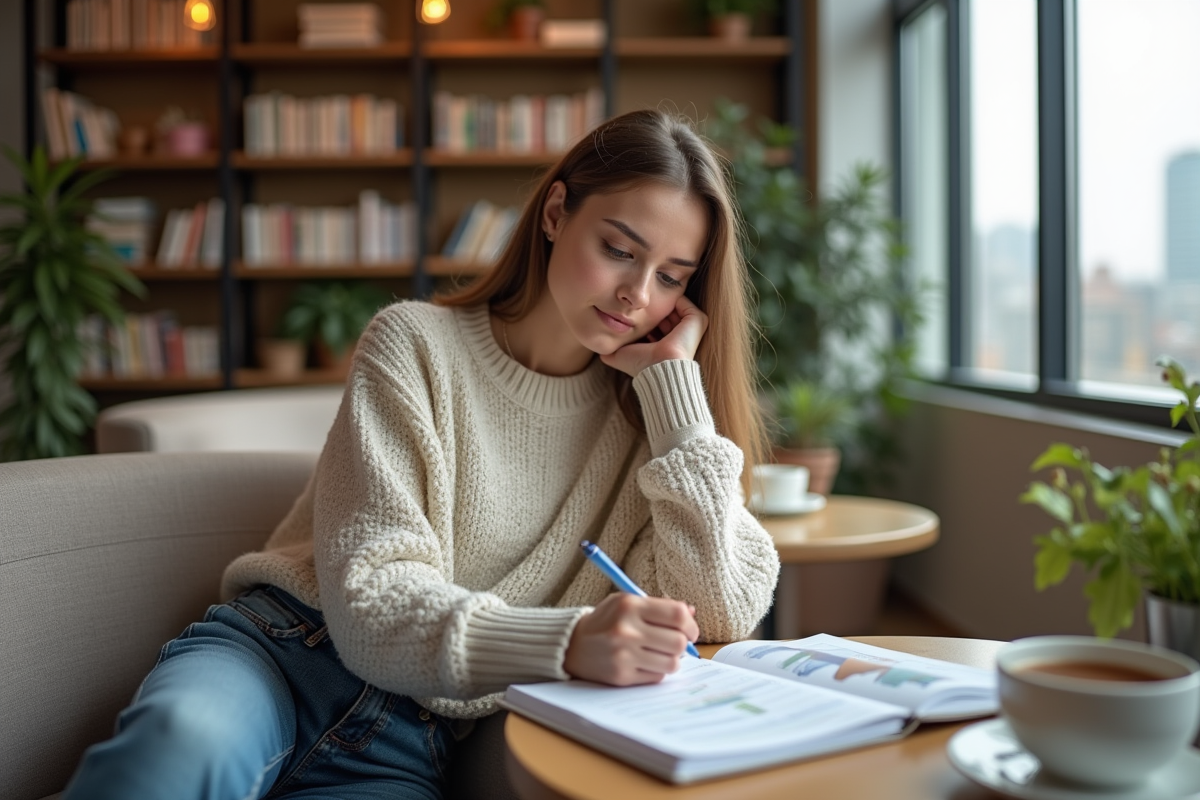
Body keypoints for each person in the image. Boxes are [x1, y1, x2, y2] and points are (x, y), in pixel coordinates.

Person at [63, 108, 781, 800]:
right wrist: (567, 642)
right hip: (284, 655)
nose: (637, 294)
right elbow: (372, 601)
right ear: (556, 213)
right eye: (619, 250)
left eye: (671, 276)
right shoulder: (413, 344)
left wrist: (677, 401)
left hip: (407, 741)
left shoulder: (653, 423)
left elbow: (722, 611)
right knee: (176, 749)